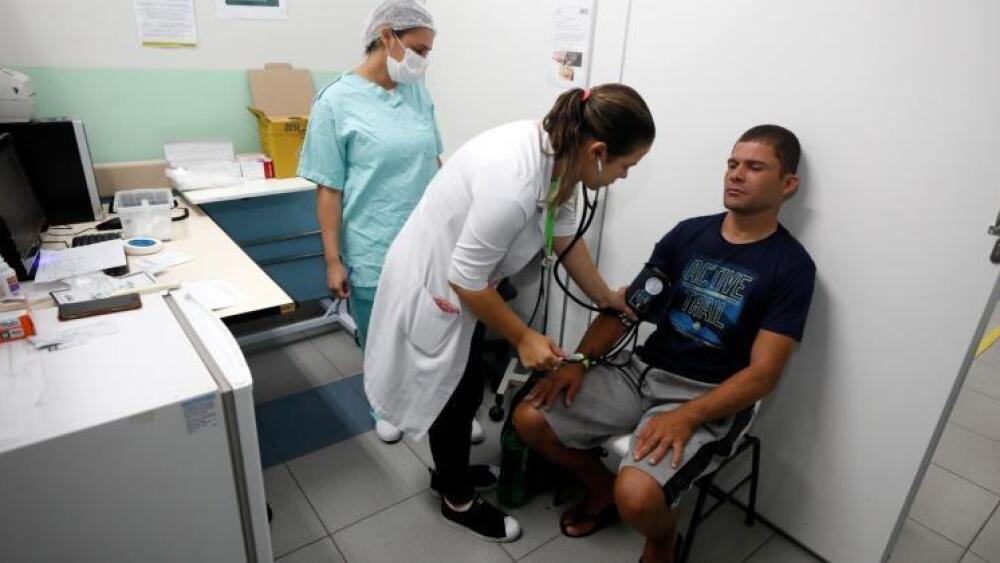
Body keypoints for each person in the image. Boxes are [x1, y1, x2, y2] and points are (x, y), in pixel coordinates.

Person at [364, 84, 656, 542]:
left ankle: (450, 473)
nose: (624, 176)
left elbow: (564, 237)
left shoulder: (562, 158)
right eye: (625, 165)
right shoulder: (514, 182)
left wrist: (604, 297)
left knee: (464, 386)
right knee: (453, 394)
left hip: (469, 288)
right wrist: (523, 337)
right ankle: (456, 499)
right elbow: (465, 279)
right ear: (598, 151)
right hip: (440, 286)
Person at [514, 125, 816, 562]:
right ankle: (601, 491)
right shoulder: (689, 235)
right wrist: (578, 361)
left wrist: (688, 416)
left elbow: (763, 374)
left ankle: (662, 542)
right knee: (531, 419)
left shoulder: (791, 268)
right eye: (732, 164)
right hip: (643, 372)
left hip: (707, 395)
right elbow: (628, 309)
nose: (736, 175)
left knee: (637, 494)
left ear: (788, 184)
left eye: (754, 167)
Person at [298, 0, 482, 444]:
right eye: (419, 49)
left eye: (428, 51)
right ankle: (384, 403)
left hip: (427, 239)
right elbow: (329, 188)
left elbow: (436, 163)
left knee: (433, 327)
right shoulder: (335, 102)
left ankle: (444, 409)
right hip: (372, 240)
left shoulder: (416, 91)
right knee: (381, 332)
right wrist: (332, 260)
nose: (424, 60)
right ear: (387, 37)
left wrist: (458, 222)